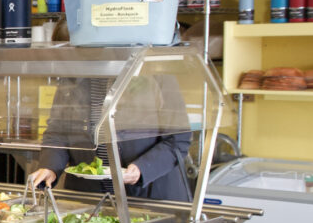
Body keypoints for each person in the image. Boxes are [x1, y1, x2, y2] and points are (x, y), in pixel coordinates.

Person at [26, 75, 194, 202]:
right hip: (89, 198)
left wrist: (142, 169)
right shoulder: (74, 77)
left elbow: (178, 140)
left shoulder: (156, 75)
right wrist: (50, 167)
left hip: (149, 198)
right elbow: (57, 132)